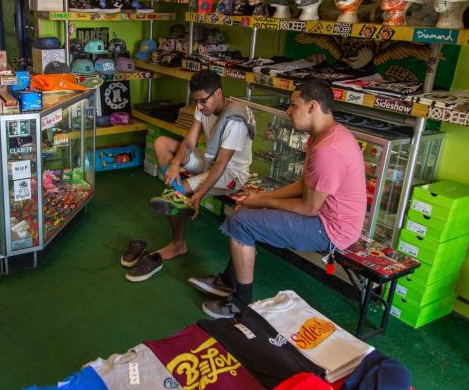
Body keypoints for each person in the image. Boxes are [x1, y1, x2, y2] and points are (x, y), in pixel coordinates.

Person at [190, 79, 367, 318]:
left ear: (313, 106)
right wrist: (261, 196)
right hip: (323, 215)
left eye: (294, 105)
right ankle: (228, 280)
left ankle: (241, 302)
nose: (288, 110)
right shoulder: (322, 137)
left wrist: (260, 201)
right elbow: (305, 185)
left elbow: (309, 207)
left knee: (242, 221)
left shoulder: (329, 149)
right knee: (245, 214)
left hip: (332, 229)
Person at [122, 70, 256, 282]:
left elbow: (222, 163)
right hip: (210, 162)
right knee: (161, 143)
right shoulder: (203, 108)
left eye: (203, 101)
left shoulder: (235, 120)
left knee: (175, 192)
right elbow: (189, 141)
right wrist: (175, 163)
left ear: (218, 93)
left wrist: (200, 194)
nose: (200, 106)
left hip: (232, 174)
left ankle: (177, 240)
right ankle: (176, 193)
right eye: (197, 101)